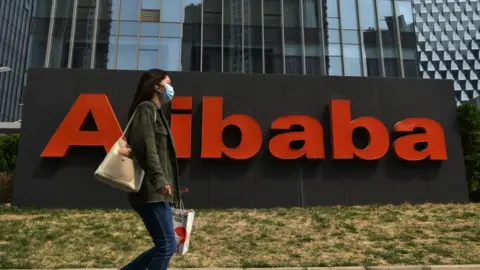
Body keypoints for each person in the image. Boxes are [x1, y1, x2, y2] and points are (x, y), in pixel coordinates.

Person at [122, 69, 181, 270]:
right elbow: (146, 148)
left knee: (164, 246)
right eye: (168, 83)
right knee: (166, 247)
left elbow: (159, 154)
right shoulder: (146, 109)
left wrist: (168, 182)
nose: (171, 88)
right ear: (157, 86)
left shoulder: (157, 113)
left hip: (157, 191)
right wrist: (160, 180)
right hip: (150, 191)